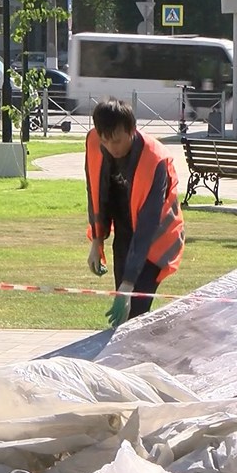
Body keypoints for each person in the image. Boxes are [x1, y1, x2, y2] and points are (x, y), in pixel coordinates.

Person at [85, 98, 185, 328]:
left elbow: (148, 225)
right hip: (124, 232)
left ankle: (143, 355)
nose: (112, 148)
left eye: (117, 141)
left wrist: (129, 285)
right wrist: (96, 241)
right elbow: (95, 193)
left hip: (156, 238)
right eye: (106, 141)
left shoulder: (155, 160)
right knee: (124, 317)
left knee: (136, 310)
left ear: (131, 130)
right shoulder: (95, 142)